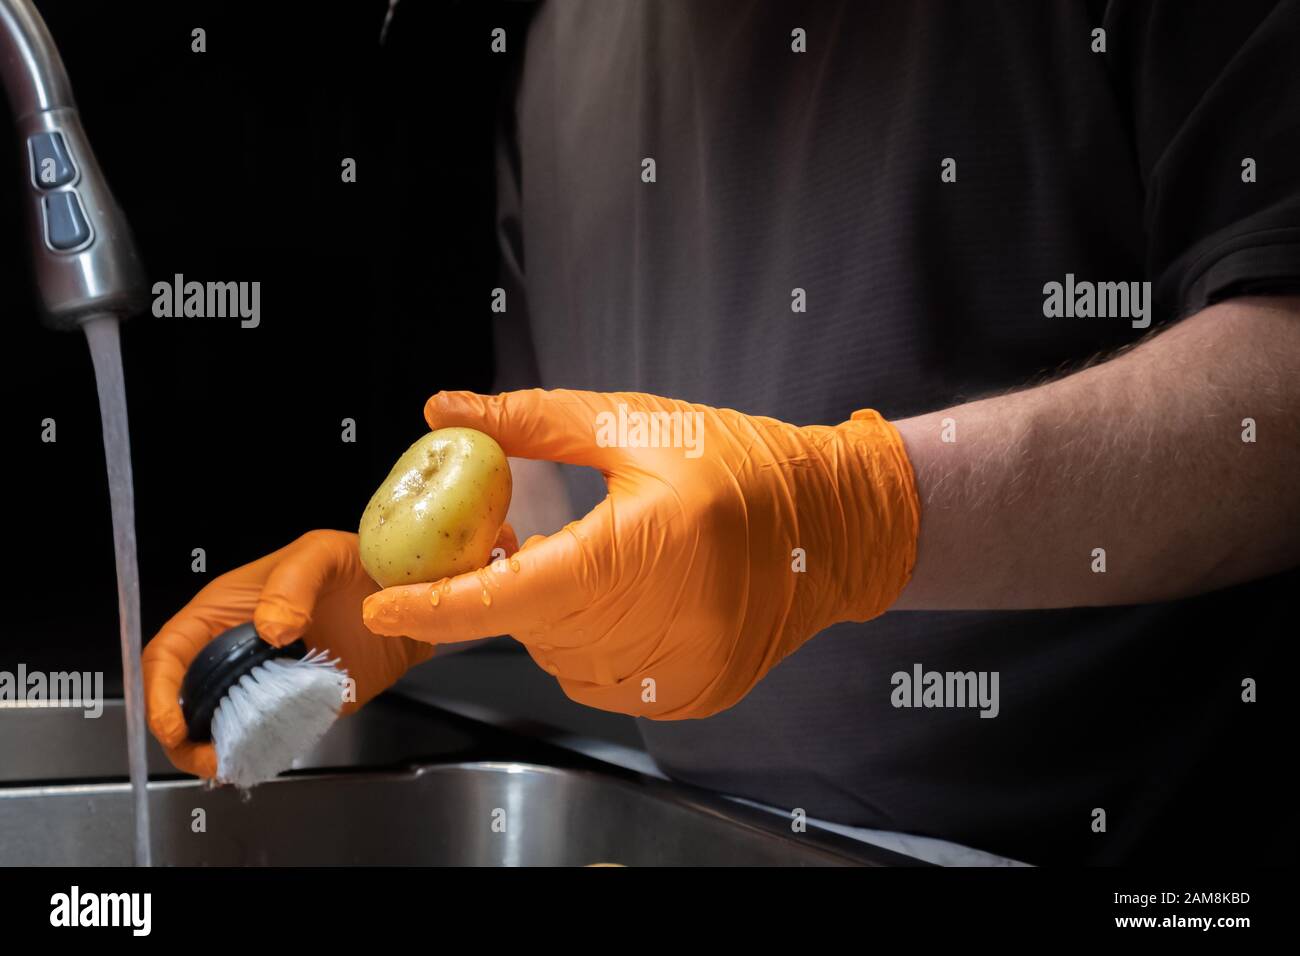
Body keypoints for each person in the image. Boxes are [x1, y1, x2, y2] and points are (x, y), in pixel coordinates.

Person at [144, 1, 1300, 864]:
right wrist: (396, 618)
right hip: (696, 831)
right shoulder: (562, 41)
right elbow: (565, 492)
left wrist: (850, 514)